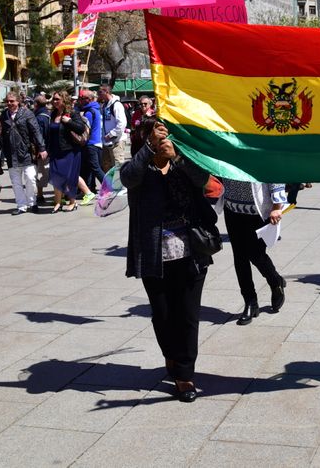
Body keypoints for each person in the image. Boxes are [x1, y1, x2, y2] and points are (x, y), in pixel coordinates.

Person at [121, 117, 214, 403]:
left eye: (164, 135)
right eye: (155, 136)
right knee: (162, 315)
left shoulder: (182, 160)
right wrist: (149, 149)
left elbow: (205, 181)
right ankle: (171, 357)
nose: (162, 140)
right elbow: (127, 177)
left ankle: (185, 375)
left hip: (190, 251)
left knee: (187, 315)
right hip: (153, 254)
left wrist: (180, 158)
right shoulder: (139, 165)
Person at [223, 177, 287, 326]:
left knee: (256, 254)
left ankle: (275, 280)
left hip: (257, 209)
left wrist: (277, 206)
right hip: (231, 206)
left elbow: (273, 167)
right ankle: (250, 302)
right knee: (239, 257)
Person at [0, 92, 47, 215]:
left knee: (30, 178)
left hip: (26, 152)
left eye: (12, 101)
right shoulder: (4, 115)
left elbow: (36, 131)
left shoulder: (27, 113)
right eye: (7, 101)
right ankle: (21, 205)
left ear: (18, 102)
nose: (9, 103)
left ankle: (32, 202)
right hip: (11, 154)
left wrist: (42, 148)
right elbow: (3, 134)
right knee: (16, 182)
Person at [44, 92, 89, 213]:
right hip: (55, 151)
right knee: (56, 176)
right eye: (54, 99)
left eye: (57, 99)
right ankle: (58, 202)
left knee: (70, 177)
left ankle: (72, 202)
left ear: (64, 100)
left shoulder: (73, 113)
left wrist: (68, 121)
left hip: (70, 151)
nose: (54, 101)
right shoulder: (53, 114)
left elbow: (80, 129)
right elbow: (50, 133)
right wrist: (46, 149)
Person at [77, 89, 105, 202]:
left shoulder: (89, 112)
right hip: (97, 143)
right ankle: (90, 190)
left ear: (90, 99)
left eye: (83, 98)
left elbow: (85, 131)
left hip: (91, 144)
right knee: (89, 169)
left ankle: (110, 188)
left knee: (95, 168)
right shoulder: (96, 109)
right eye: (80, 98)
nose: (81, 101)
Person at [98, 84, 128, 172]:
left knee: (118, 166)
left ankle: (119, 186)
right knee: (107, 166)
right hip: (106, 142)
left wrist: (111, 134)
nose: (98, 94)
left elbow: (122, 123)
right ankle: (110, 185)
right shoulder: (104, 105)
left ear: (106, 92)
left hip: (116, 142)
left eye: (100, 92)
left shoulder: (116, 105)